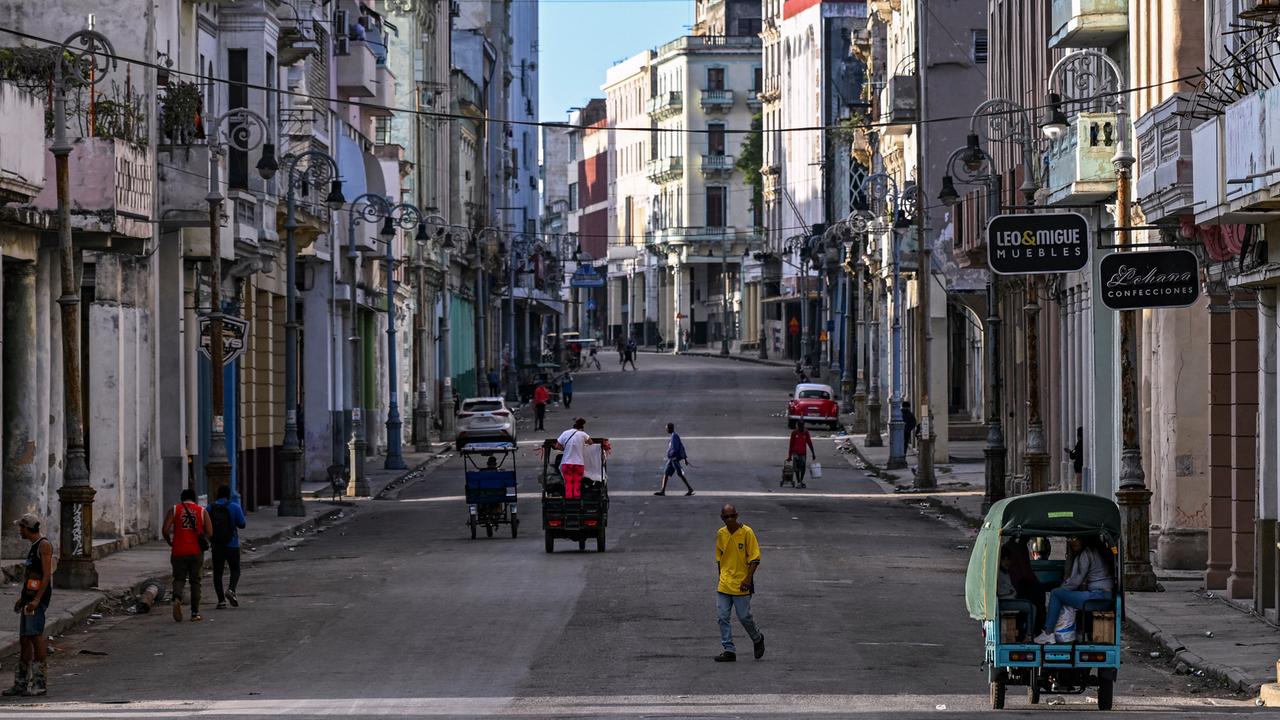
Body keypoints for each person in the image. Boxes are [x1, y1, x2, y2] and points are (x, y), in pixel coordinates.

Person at [3, 514, 53, 696]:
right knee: (25, 638)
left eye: (21, 528)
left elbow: (46, 575)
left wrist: (36, 600)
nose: (19, 531)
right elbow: (32, 576)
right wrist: (23, 598)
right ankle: (21, 683)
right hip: (29, 597)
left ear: (27, 528)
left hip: (37, 599)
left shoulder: (43, 545)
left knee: (35, 636)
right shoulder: (34, 547)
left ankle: (39, 683)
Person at [1035, 537, 1114, 644]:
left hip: (1097, 596)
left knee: (1056, 593)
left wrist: (1061, 590)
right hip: (1105, 595)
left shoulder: (1086, 553)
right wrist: (1070, 554)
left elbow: (1074, 581)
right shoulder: (1098, 551)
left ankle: (1048, 633)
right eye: (1069, 539)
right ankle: (1079, 632)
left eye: (1075, 538)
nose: (1071, 542)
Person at [713, 504, 764, 662]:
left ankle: (757, 638)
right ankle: (729, 649)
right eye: (726, 517)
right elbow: (719, 557)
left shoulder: (747, 532)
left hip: (742, 582)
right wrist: (721, 576)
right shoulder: (721, 533)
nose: (730, 520)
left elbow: (755, 558)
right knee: (722, 616)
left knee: (744, 617)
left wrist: (748, 579)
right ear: (722, 518)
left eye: (732, 516)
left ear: (737, 515)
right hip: (725, 582)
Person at [162, 488, 212, 623]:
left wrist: (170, 542)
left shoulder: (175, 509)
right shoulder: (202, 511)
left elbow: (165, 529)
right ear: (194, 498)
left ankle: (177, 598)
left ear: (182, 498)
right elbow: (210, 531)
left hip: (178, 550)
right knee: (196, 581)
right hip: (196, 552)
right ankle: (195, 613)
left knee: (179, 578)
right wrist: (201, 538)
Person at [207, 485, 247, 610]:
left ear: (217, 494)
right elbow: (242, 524)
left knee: (217, 573)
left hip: (216, 545)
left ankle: (221, 601)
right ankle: (231, 589)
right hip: (232, 544)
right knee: (235, 569)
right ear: (228, 495)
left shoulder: (210, 507)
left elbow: (204, 525)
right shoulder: (234, 506)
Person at [997, 540, 1043, 642]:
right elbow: (1003, 593)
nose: (1007, 562)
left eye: (1008, 560)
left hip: (1010, 600)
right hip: (1005, 602)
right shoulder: (999, 574)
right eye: (1004, 560)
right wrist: (1013, 593)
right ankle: (1029, 635)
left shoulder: (1006, 573)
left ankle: (1027, 633)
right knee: (1032, 607)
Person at [554, 417, 598, 500]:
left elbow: (557, 446)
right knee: (577, 483)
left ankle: (569, 501)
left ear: (573, 426)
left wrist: (565, 449)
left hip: (566, 463)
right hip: (579, 464)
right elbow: (591, 442)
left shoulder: (565, 433)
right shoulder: (583, 434)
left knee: (568, 483)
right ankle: (577, 500)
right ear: (582, 428)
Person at [655, 422, 693, 496]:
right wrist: (685, 459)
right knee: (666, 473)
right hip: (671, 459)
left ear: (670, 428)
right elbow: (681, 447)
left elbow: (679, 448)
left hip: (674, 459)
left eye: (666, 428)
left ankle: (690, 488)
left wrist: (684, 459)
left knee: (680, 474)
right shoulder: (673, 436)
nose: (666, 430)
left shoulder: (675, 436)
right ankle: (662, 491)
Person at [787, 420, 816, 488]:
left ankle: (800, 480)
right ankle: (798, 481)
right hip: (795, 453)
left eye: (802, 426)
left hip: (803, 453)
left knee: (803, 468)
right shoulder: (794, 433)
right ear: (798, 426)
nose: (801, 428)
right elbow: (791, 444)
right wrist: (789, 456)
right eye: (800, 426)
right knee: (796, 468)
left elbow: (809, 443)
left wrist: (813, 453)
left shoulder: (805, 433)